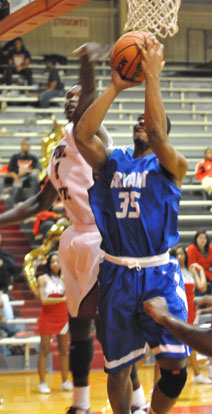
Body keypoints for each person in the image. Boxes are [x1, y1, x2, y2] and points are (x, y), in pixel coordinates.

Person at [0, 44, 147, 414]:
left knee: (108, 323)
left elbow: (90, 100)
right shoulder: (59, 149)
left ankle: (140, 402)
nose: (72, 101)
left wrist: (86, 61)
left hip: (103, 237)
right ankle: (80, 404)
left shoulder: (92, 135)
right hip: (74, 240)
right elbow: (40, 202)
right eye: (68, 97)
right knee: (79, 326)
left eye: (78, 96)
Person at [74, 37, 190, 414]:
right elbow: (81, 135)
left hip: (159, 272)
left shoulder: (172, 165)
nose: (143, 122)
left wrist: (152, 76)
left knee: (174, 370)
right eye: (139, 120)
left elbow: (158, 134)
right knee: (119, 369)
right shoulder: (113, 161)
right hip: (117, 273)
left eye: (150, 120)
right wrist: (116, 86)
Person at [169, 246, 210, 384]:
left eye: (182, 254)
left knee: (192, 343)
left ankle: (197, 374)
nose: (180, 256)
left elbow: (203, 287)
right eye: (177, 254)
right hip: (177, 310)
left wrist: (200, 271)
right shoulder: (171, 271)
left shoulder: (189, 272)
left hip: (191, 311)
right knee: (172, 344)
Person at [37, 250, 72, 393]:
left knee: (64, 350)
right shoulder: (42, 279)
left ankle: (65, 381)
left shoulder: (65, 278)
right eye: (53, 261)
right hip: (47, 317)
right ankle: (42, 383)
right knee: (44, 349)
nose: (56, 264)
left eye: (58, 261)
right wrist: (63, 300)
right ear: (48, 263)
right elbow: (44, 300)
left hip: (63, 318)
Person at [143, 295, 212, 358]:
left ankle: (196, 371)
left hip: (181, 312)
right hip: (180, 308)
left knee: (176, 352)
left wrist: (167, 318)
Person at [7, 138, 41, 205]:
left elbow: (38, 169)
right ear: (21, 146)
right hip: (18, 178)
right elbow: (11, 171)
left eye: (28, 145)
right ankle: (14, 206)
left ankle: (31, 202)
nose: (26, 146)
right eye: (24, 144)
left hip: (29, 179)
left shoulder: (33, 157)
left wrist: (26, 171)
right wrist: (17, 178)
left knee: (34, 175)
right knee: (17, 186)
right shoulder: (15, 157)